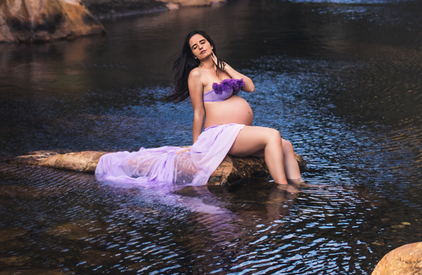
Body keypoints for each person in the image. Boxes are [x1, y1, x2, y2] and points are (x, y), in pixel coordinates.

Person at [95, 30, 303, 188]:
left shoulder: (224, 69)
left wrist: (227, 67)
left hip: (238, 133)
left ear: (210, 44)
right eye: (195, 47)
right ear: (193, 54)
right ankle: (282, 188)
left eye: (202, 42)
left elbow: (250, 87)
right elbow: (198, 112)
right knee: (272, 135)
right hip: (219, 134)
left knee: (286, 145)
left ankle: (300, 186)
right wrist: (197, 145)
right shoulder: (196, 74)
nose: (200, 47)